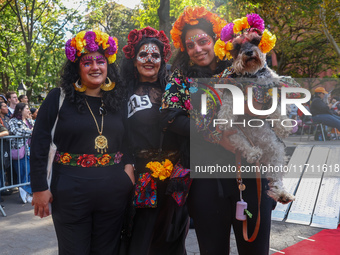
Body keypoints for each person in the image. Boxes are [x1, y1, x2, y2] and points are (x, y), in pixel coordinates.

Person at [162, 7, 276, 254]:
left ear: (215, 40)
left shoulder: (241, 63)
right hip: (206, 180)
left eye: (203, 41)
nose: (197, 49)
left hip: (251, 170)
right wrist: (216, 136)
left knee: (255, 248)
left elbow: (270, 101)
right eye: (190, 45)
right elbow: (172, 119)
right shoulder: (180, 77)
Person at [30, 30, 134, 255]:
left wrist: (128, 168)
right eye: (87, 62)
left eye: (100, 61)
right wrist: (39, 187)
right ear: (77, 67)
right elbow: (39, 142)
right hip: (70, 190)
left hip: (113, 190)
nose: (95, 67)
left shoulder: (118, 100)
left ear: (108, 65)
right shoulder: (58, 98)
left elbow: (128, 139)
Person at [121, 26, 189, 255]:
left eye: (155, 55)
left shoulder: (175, 89)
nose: (149, 60)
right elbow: (118, 133)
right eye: (143, 55)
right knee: (143, 235)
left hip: (175, 175)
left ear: (163, 59)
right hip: (140, 174)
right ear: (134, 59)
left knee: (172, 234)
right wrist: (127, 163)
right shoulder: (122, 92)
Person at [8, 102, 34, 204]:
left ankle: (29, 193)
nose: (28, 110)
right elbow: (17, 132)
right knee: (23, 172)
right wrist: (31, 131)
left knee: (30, 172)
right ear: (20, 110)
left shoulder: (29, 121)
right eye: (26, 109)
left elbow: (37, 129)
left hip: (30, 150)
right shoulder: (12, 121)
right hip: (19, 151)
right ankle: (25, 194)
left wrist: (31, 130)